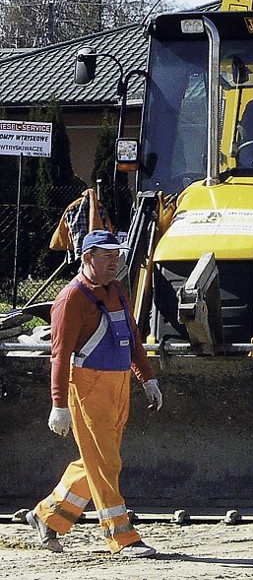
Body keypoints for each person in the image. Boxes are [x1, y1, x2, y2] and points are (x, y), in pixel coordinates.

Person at [26, 230, 163, 558]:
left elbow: (132, 337)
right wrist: (58, 404)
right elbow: (59, 355)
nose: (114, 261)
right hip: (88, 387)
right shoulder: (71, 298)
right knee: (105, 461)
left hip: (118, 385)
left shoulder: (116, 290)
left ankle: (49, 515)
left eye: (116, 255)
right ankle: (122, 537)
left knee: (98, 459)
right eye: (107, 256)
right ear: (87, 258)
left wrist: (147, 379)